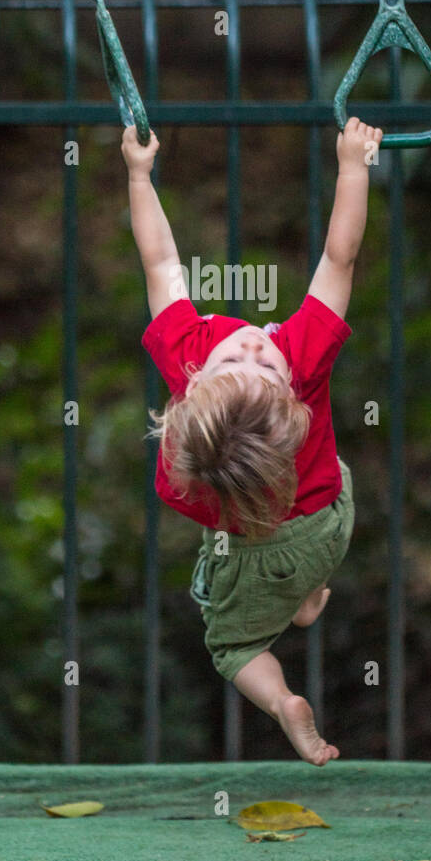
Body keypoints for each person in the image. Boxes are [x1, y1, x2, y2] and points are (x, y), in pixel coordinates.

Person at [122, 117, 382, 763]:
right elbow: (339, 257)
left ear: (194, 380)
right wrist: (353, 165)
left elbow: (159, 261)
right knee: (289, 557)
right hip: (329, 523)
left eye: (248, 361)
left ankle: (282, 698)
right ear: (293, 400)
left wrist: (137, 174)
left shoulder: (188, 387)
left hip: (270, 547)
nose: (252, 346)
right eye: (259, 366)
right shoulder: (303, 355)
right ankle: (303, 598)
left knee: (233, 646)